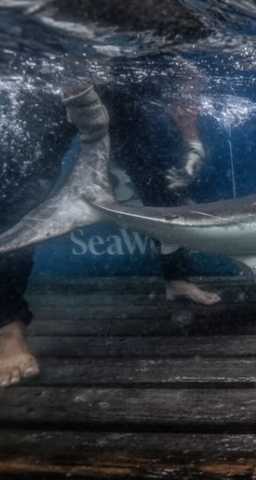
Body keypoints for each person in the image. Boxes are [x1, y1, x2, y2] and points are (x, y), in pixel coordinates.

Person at [0, 61, 219, 388]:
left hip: (118, 87)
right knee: (23, 199)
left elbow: (187, 83)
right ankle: (7, 328)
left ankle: (177, 278)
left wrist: (192, 137)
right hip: (51, 88)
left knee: (159, 183)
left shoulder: (162, 53)